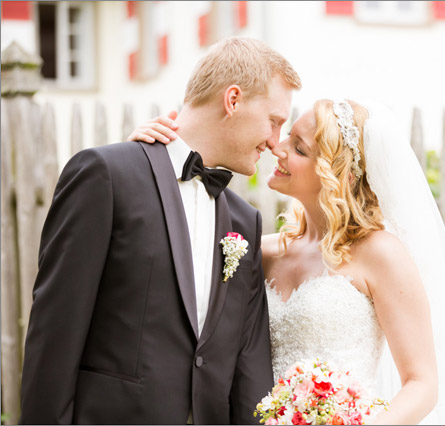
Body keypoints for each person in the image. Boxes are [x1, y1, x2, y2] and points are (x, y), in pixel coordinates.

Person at [131, 99, 445, 424]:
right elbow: (174, 252)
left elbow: (422, 384)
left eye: (299, 147)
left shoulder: (380, 254)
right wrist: (151, 157)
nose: (277, 149)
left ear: (334, 174)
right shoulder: (261, 250)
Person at [20, 37, 301, 425]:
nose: (274, 142)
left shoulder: (245, 222)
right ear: (232, 100)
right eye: (274, 121)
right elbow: (54, 335)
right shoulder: (107, 176)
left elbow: (248, 367)